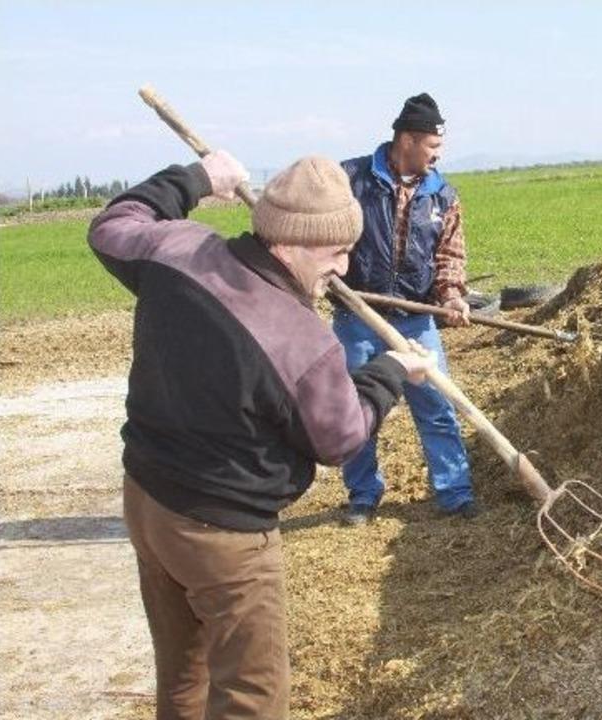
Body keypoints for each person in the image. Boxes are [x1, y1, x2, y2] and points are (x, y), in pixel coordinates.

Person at [89, 151, 434, 719]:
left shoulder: (178, 251)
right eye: (336, 251)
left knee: (183, 675)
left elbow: (112, 225)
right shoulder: (299, 340)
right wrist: (393, 371)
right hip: (224, 536)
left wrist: (198, 178)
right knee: (252, 697)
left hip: (148, 503)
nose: (344, 267)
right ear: (290, 244)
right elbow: (340, 436)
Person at [335, 92, 478, 525]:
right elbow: (325, 234)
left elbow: (449, 257)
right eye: (432, 146)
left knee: (437, 407)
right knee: (358, 410)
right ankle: (363, 495)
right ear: (408, 140)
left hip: (417, 322)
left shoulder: (442, 195)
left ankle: (455, 493)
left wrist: (451, 297)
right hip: (358, 317)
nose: (437, 155)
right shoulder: (350, 180)